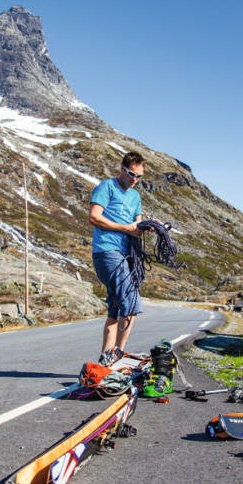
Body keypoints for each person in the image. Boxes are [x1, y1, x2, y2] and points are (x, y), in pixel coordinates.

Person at [88, 151, 149, 365]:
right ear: (123, 169)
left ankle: (106, 357)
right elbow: (94, 217)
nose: (135, 180)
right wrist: (126, 228)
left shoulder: (135, 196)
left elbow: (137, 225)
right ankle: (119, 354)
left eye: (139, 177)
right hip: (107, 251)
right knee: (131, 301)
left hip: (126, 254)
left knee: (116, 306)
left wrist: (146, 227)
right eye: (132, 174)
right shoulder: (107, 187)